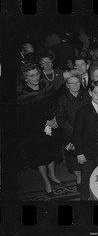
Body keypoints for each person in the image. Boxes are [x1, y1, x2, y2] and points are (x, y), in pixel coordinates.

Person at [17, 62, 62, 197]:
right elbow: (24, 119)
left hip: (53, 125)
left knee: (52, 151)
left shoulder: (47, 86)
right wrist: (45, 123)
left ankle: (53, 175)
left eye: (37, 74)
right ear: (25, 78)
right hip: (35, 131)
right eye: (31, 76)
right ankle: (46, 181)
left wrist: (55, 119)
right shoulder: (22, 95)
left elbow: (56, 104)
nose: (36, 78)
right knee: (40, 157)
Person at [56, 71, 91, 191]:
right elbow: (60, 119)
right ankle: (79, 179)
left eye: (77, 82)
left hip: (86, 133)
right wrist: (75, 130)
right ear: (67, 85)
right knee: (73, 160)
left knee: (87, 158)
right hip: (70, 135)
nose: (75, 85)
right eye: (72, 83)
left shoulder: (86, 95)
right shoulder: (62, 99)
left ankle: (87, 178)